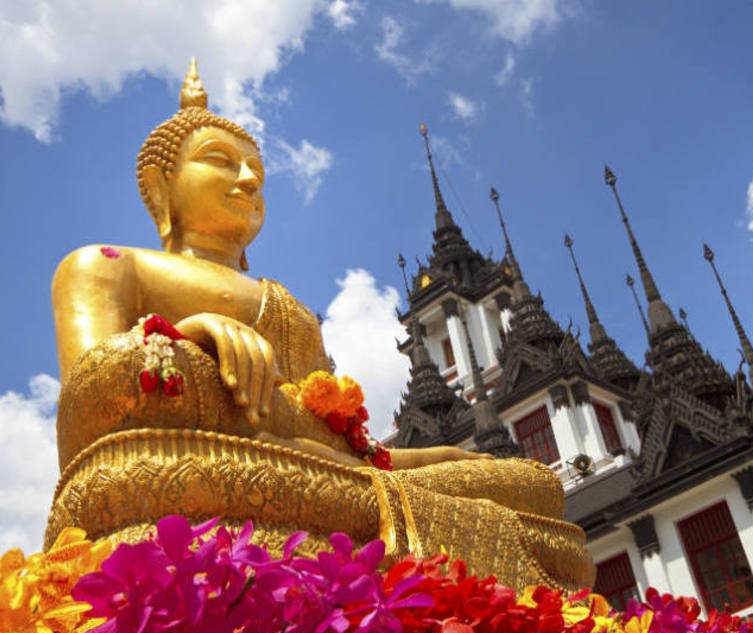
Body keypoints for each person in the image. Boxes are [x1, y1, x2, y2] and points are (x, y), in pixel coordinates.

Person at [46, 61, 593, 591]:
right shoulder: (107, 265)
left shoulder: (291, 309)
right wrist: (185, 335)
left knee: (532, 487)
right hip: (195, 463)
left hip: (330, 481)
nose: (246, 180)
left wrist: (442, 458)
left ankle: (386, 527)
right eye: (221, 161)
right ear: (160, 184)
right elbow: (89, 404)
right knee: (118, 471)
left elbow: (348, 449)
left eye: (256, 173)